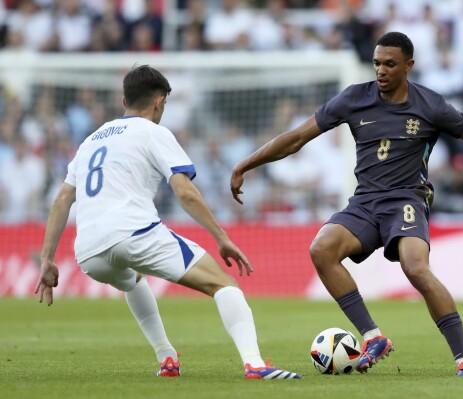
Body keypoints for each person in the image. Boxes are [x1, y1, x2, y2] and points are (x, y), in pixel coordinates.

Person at [230, 32, 463, 377]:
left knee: (415, 268)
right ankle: (374, 337)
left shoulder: (431, 105)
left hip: (407, 200)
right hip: (364, 203)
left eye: (390, 64)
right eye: (377, 63)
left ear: (409, 65)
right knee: (321, 248)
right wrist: (246, 164)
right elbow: (297, 137)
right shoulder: (354, 98)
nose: (381, 71)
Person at [35, 65, 300, 380]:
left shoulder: (91, 140)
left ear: (124, 101)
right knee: (224, 284)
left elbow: (62, 200)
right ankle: (255, 365)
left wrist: (47, 258)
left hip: (89, 251)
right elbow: (184, 192)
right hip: (134, 233)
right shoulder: (153, 132)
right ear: (159, 102)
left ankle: (167, 358)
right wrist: (221, 237)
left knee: (132, 278)